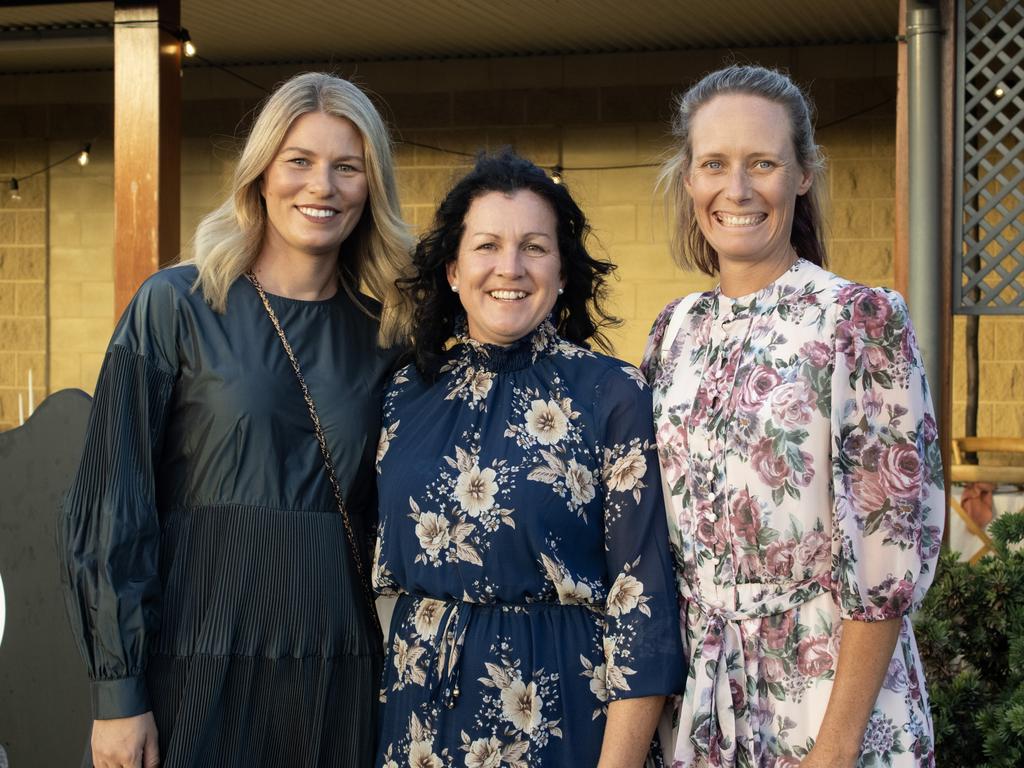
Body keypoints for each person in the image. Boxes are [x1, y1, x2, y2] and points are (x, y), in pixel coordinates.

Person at [58, 72, 412, 768]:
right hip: (194, 660)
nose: (323, 187)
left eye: (348, 167)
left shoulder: (389, 335)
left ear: (371, 185)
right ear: (260, 174)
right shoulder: (177, 305)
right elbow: (112, 505)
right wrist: (118, 693)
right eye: (300, 162)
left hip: (335, 669)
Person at [642, 65, 943, 768]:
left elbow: (885, 556)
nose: (736, 189)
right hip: (700, 705)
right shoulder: (674, 331)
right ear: (689, 180)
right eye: (714, 163)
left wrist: (834, 749)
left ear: (803, 174)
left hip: (825, 703)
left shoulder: (860, 320)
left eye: (763, 163)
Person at [372, 150, 684, 767]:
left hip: (563, 715)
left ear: (563, 270)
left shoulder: (612, 394)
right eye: (487, 245)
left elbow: (642, 603)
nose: (509, 267)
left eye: (535, 247)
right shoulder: (405, 393)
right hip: (420, 721)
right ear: (453, 271)